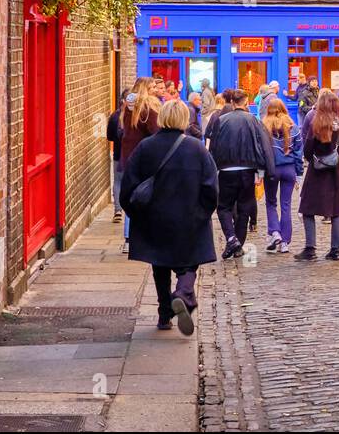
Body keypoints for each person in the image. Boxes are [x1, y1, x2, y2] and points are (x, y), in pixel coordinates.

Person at [119, 99, 218, 336]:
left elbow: (128, 186)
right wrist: (203, 213)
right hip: (189, 218)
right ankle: (183, 294)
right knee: (188, 263)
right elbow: (211, 188)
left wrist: (137, 215)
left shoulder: (145, 147)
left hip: (155, 219)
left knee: (160, 265)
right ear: (184, 119)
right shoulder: (197, 149)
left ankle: (164, 314)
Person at [206, 88, 275, 259]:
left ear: (232, 102)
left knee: (224, 207)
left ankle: (232, 240)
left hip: (226, 170)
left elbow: (213, 146)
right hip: (247, 170)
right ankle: (236, 243)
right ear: (246, 102)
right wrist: (264, 170)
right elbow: (263, 145)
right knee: (244, 208)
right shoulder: (253, 120)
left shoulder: (221, 120)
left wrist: (213, 168)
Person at [296, 89, 339, 261]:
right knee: (336, 209)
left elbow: (308, 147)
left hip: (318, 169)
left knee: (307, 208)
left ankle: (310, 248)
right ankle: (336, 249)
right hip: (338, 168)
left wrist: (314, 158)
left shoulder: (317, 122)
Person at [121, 78, 163, 253]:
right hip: (144, 158)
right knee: (146, 196)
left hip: (128, 157)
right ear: (144, 89)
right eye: (152, 87)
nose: (155, 90)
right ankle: (146, 236)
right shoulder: (147, 108)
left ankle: (128, 238)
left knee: (132, 196)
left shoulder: (129, 106)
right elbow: (156, 132)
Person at [261, 99, 303, 254]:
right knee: (286, 205)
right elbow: (298, 152)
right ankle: (285, 242)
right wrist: (299, 173)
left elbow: (260, 151)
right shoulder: (293, 127)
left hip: (271, 169)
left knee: (271, 202)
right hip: (289, 169)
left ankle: (275, 232)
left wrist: (259, 171)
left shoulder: (264, 127)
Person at [107, 89, 128, 223]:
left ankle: (118, 211)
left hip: (119, 154)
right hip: (132, 155)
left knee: (118, 182)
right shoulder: (136, 116)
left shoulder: (115, 116)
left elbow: (109, 136)